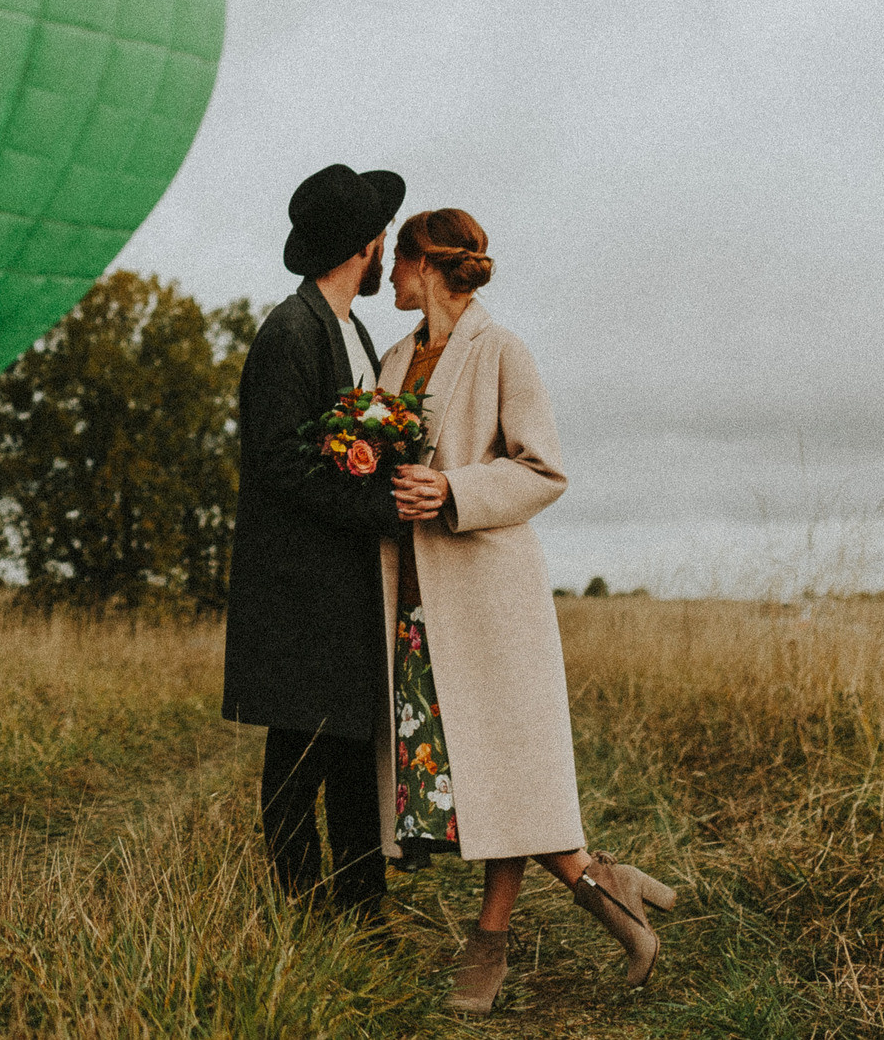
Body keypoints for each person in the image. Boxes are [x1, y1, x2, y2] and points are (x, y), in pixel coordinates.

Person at [377, 209, 676, 1012]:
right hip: (410, 601)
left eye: (399, 260)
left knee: (499, 773)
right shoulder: (394, 357)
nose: (389, 276)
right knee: (473, 781)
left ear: (426, 262)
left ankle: (490, 945)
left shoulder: (502, 349)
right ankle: (605, 886)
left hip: (487, 598)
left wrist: (453, 489)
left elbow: (544, 470)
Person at [222, 163, 409, 916]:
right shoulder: (289, 332)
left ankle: (363, 910)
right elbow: (279, 458)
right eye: (382, 236)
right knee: (299, 757)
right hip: (299, 589)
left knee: (353, 757)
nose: (387, 248)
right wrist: (380, 508)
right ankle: (303, 913)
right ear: (363, 245)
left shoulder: (353, 330)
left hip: (348, 585)